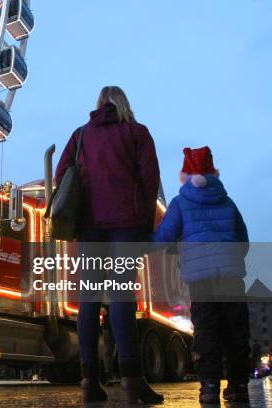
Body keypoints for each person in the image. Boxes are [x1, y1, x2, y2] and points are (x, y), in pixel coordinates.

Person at [55, 86, 163, 404]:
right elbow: (149, 181)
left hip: (89, 228)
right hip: (125, 227)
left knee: (88, 301)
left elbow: (62, 175)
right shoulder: (137, 133)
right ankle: (132, 379)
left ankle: (89, 379)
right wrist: (144, 225)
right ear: (124, 104)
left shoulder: (80, 135)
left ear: (98, 104)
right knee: (121, 299)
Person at [154, 146, 251, 403]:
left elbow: (163, 237)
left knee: (206, 331)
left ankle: (209, 386)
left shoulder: (180, 203)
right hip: (231, 277)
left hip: (200, 280)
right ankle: (238, 385)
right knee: (236, 331)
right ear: (213, 174)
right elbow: (243, 240)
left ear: (184, 176)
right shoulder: (228, 202)